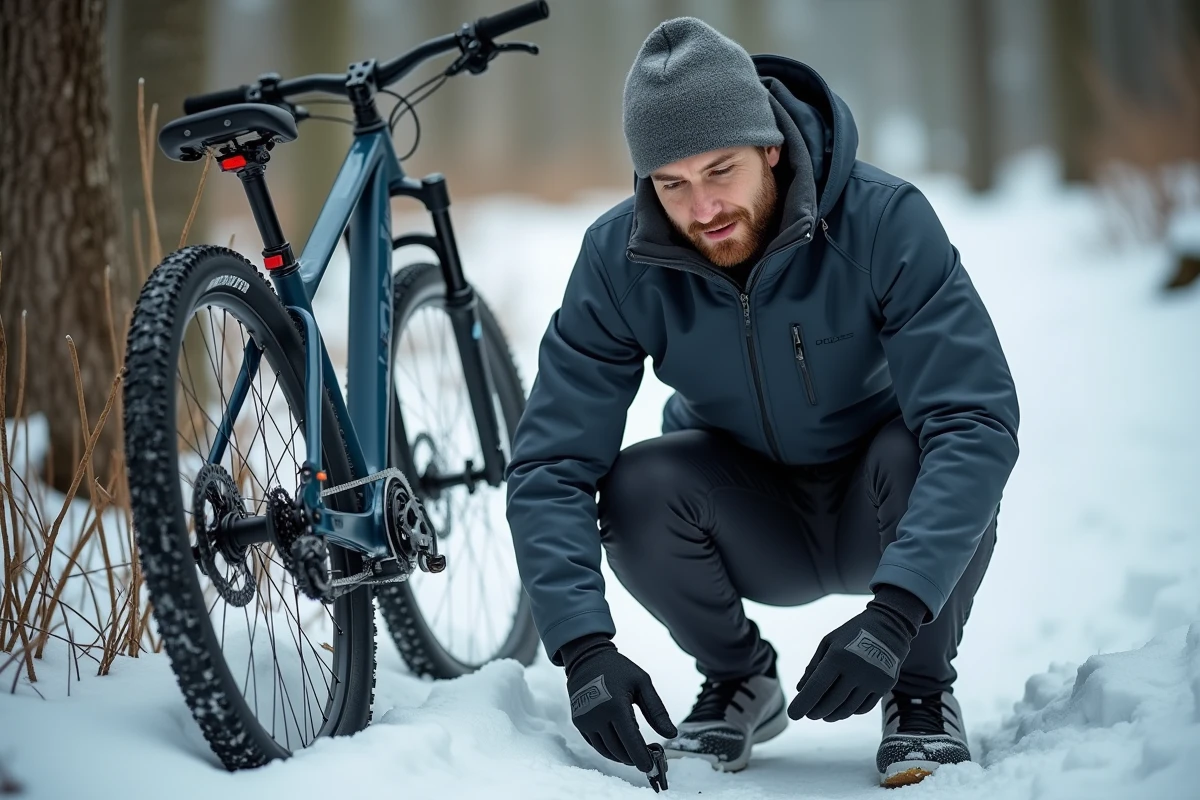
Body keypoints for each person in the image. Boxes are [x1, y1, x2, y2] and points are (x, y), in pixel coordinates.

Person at [504, 16, 1019, 789]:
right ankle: (739, 678)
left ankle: (918, 689)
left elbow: (976, 417)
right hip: (748, 514)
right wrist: (582, 651)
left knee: (922, 447)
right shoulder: (620, 261)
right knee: (638, 487)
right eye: (672, 184)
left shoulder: (883, 220)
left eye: (722, 171)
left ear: (770, 147)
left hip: (881, 502)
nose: (703, 207)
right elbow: (550, 463)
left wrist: (895, 614)